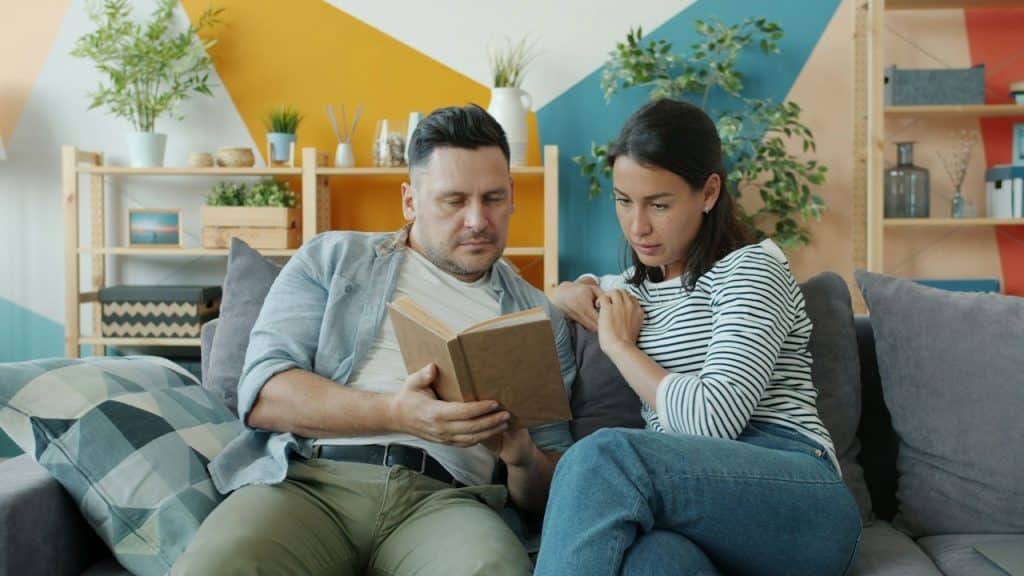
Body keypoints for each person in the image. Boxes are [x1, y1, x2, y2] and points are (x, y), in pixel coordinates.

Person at [173, 104, 576, 575]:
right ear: (410, 201)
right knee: (216, 566)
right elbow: (263, 394)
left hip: (447, 504)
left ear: (512, 197)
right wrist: (396, 413)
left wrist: (522, 457)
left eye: (492, 198)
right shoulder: (332, 258)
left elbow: (553, 490)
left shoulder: (537, 316)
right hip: (309, 483)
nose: (477, 220)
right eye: (453, 201)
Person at [532, 99, 862, 576]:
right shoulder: (630, 290)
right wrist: (568, 291)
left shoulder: (751, 270)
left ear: (708, 192)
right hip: (694, 516)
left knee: (602, 457)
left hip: (797, 497)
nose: (637, 226)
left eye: (658, 205)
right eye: (623, 201)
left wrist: (620, 347)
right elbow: (574, 291)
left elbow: (710, 420)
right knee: (648, 562)